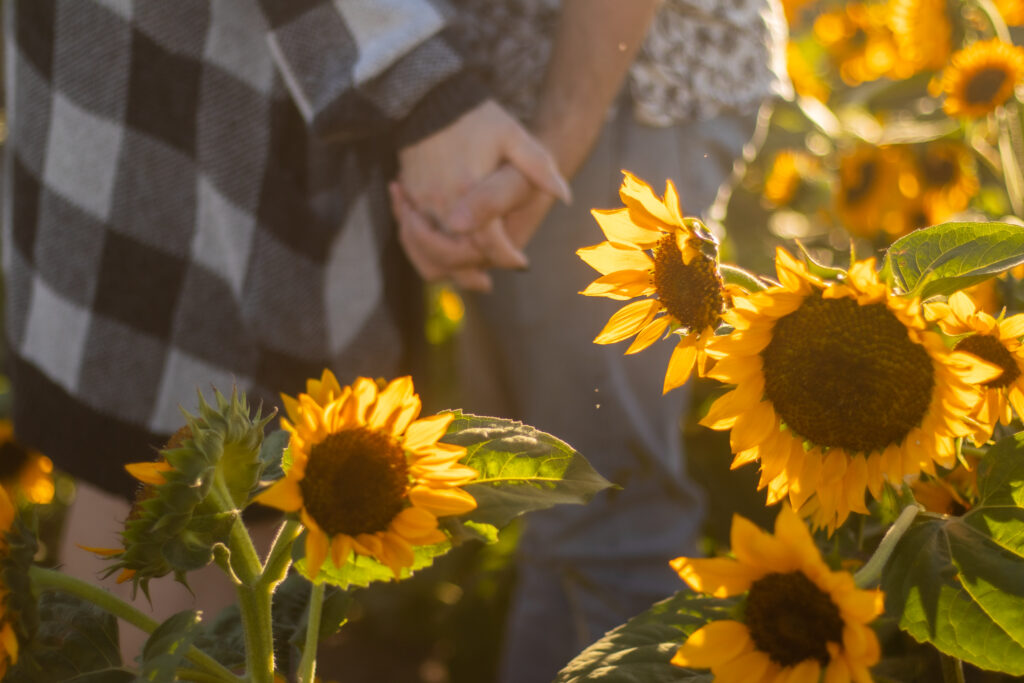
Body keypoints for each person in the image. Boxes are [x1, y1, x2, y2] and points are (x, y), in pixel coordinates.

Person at [2, 0, 568, 652]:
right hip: (207, 100)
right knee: (189, 503)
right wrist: (422, 92)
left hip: (186, 79)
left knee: (173, 495)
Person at [389, 1, 790, 680]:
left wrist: (557, 140)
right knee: (556, 499)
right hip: (528, 101)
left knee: (605, 510)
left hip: (614, 86)